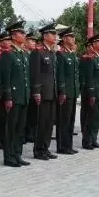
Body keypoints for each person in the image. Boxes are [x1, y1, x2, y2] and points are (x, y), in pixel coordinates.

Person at [0, 20, 31, 167]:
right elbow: (5, 78)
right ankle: (9, 156)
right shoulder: (8, 54)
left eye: (24, 33)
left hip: (23, 96)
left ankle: (17, 154)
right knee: (11, 128)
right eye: (21, 33)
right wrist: (8, 97)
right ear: (13, 36)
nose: (24, 35)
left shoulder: (23, 54)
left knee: (20, 128)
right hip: (13, 96)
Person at [30, 23, 60, 160]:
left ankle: (45, 148)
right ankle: (38, 150)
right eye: (53, 34)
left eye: (55, 34)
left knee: (49, 122)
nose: (55, 36)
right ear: (45, 36)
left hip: (52, 92)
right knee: (42, 122)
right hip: (42, 93)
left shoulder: (51, 52)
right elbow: (35, 73)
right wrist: (36, 91)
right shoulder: (38, 52)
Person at [80, 34, 99, 149]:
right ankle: (87, 141)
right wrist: (91, 93)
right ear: (94, 44)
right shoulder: (90, 58)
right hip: (93, 93)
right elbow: (89, 77)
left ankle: (94, 139)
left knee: (96, 118)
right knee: (90, 118)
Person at [54, 27, 79, 155]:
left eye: (73, 36)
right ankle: (62, 146)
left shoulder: (71, 54)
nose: (73, 39)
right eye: (70, 36)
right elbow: (60, 75)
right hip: (65, 92)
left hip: (73, 91)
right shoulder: (61, 54)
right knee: (63, 120)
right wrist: (62, 91)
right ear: (64, 39)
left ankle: (68, 145)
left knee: (70, 120)